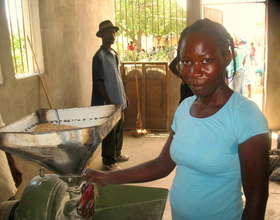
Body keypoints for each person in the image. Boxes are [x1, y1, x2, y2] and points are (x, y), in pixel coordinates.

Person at [85, 18, 269, 220]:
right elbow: (162, 164)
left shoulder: (245, 115)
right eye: (187, 61)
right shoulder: (184, 109)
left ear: (226, 57)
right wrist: (107, 178)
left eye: (206, 60)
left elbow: (257, 200)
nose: (194, 71)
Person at [91, 20, 129, 171]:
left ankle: (117, 153)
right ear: (102, 35)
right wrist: (108, 101)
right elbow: (98, 82)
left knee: (119, 128)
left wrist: (124, 96)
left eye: (114, 32)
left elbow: (117, 77)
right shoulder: (98, 57)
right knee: (109, 131)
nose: (112, 35)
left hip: (118, 99)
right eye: (109, 32)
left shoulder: (114, 54)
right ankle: (108, 161)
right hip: (107, 102)